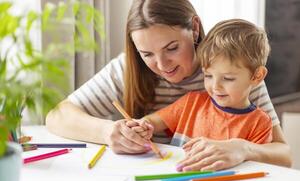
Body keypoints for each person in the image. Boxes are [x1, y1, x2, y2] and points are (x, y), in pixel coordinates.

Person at [45, 0, 291, 167]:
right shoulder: (127, 69)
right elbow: (57, 116)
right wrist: (108, 132)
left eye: (172, 48)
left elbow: (284, 154)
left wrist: (244, 149)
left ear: (194, 29)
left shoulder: (234, 72)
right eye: (147, 54)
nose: (162, 65)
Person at [125, 19, 274, 171]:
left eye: (228, 78)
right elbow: (152, 121)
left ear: (257, 76)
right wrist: (143, 126)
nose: (215, 86)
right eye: (208, 76)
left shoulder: (260, 123)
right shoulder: (192, 102)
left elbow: (261, 168)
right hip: (174, 177)